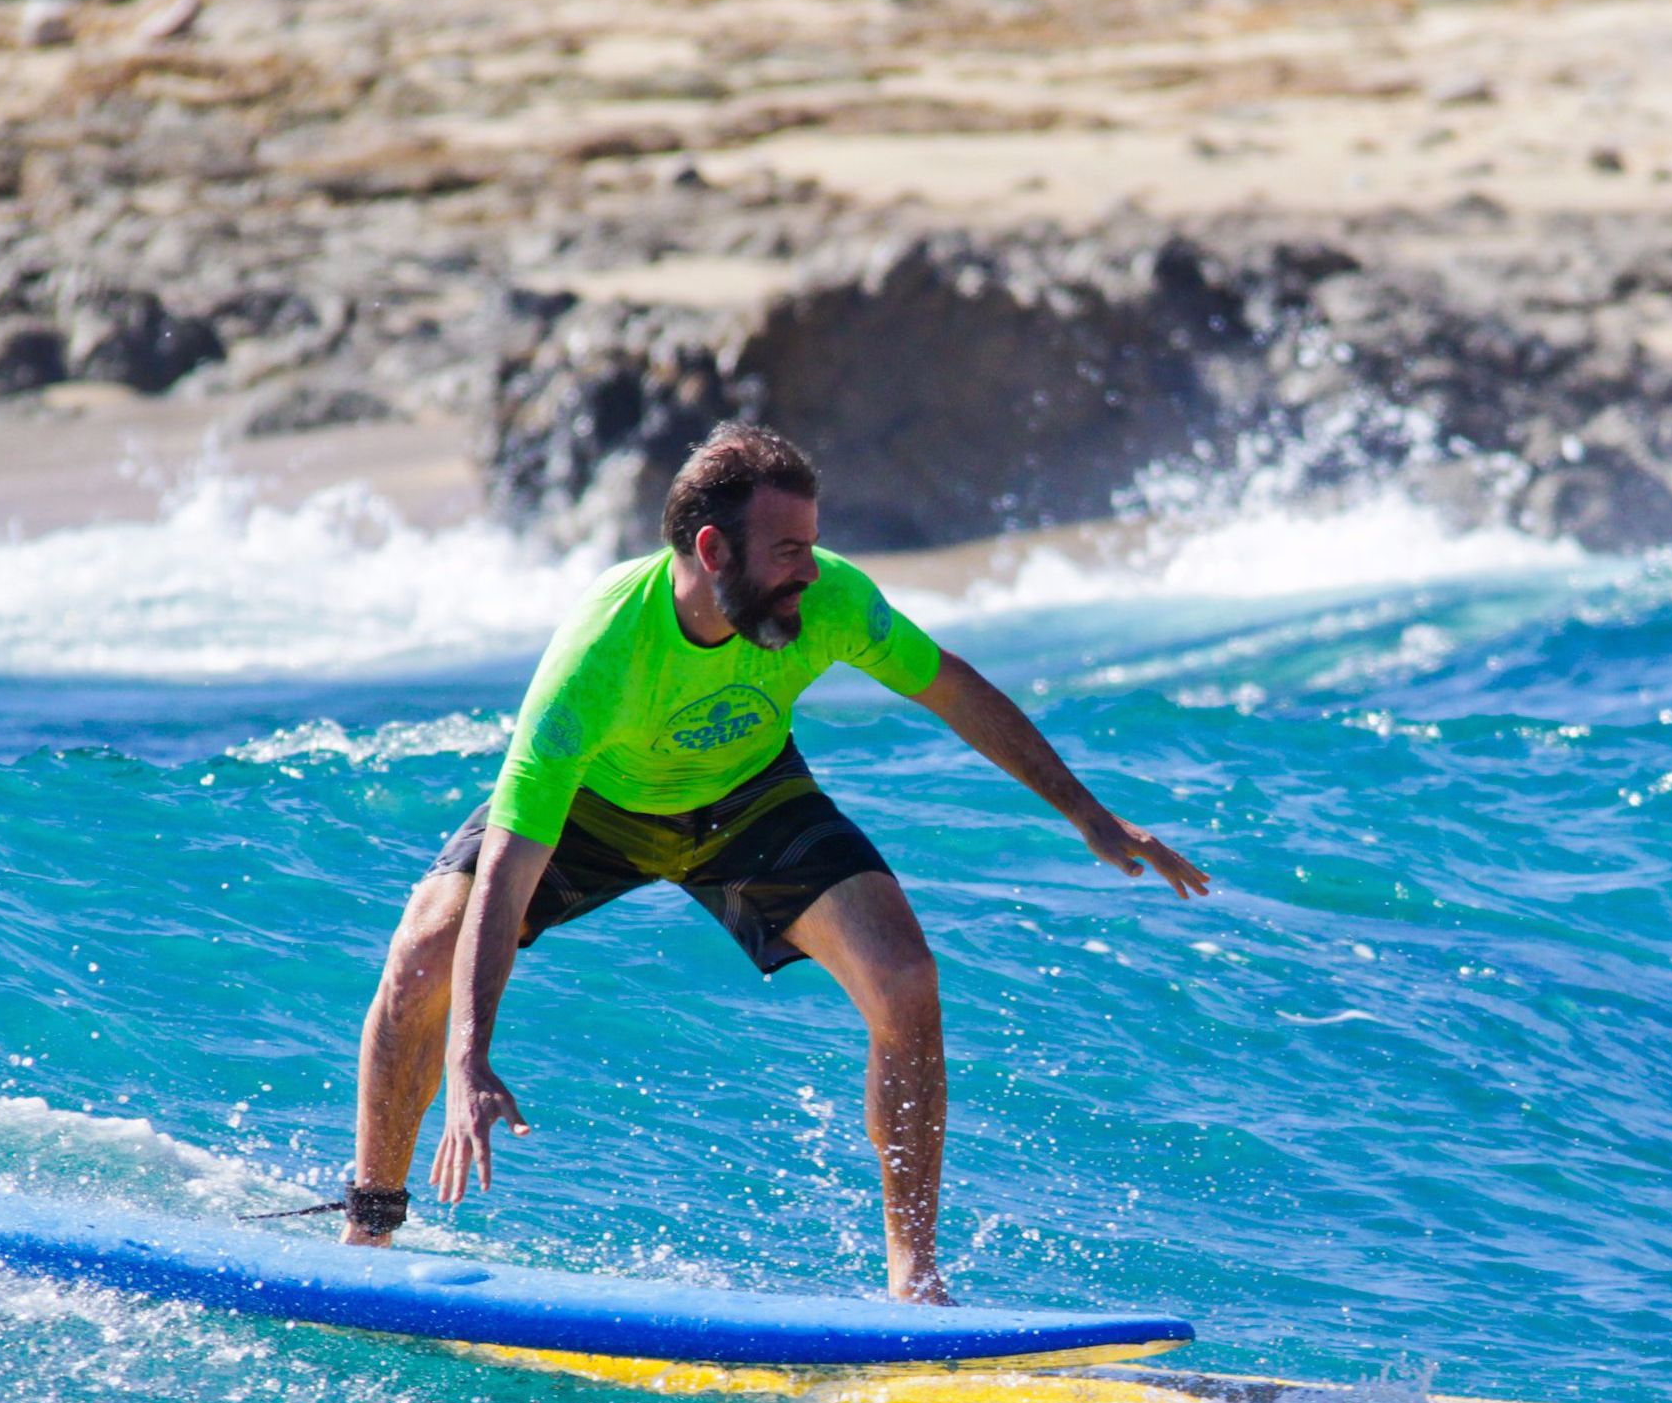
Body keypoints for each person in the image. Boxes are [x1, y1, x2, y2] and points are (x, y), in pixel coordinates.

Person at [341, 423, 1210, 1301]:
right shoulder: (599, 655)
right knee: (422, 955)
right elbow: (509, 869)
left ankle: (914, 1281)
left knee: (904, 977)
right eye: (789, 549)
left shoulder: (829, 601)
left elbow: (949, 685)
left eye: (814, 545)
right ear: (712, 549)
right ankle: (366, 1228)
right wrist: (471, 1059)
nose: (809, 569)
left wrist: (1088, 814)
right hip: (596, 809)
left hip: (745, 797)